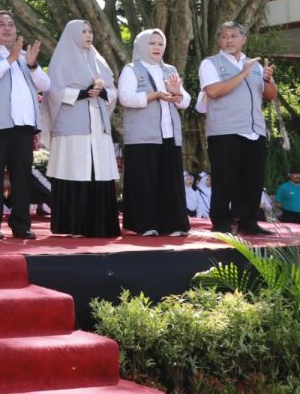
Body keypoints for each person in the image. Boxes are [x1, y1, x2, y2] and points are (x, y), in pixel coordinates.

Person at [0, 11, 49, 241]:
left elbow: (46, 84)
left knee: (22, 178)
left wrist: (32, 65)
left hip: (22, 127)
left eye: (11, 24)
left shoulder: (25, 57)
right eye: (1, 25)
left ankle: (21, 225)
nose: (8, 28)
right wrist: (10, 59)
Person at [199, 22, 277, 235]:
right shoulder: (210, 63)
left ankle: (248, 222)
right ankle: (222, 222)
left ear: (244, 39)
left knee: (252, 179)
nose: (229, 40)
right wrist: (242, 74)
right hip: (225, 130)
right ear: (219, 41)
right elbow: (213, 91)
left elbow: (270, 95)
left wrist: (267, 79)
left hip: (254, 129)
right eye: (224, 36)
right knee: (225, 178)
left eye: (234, 35)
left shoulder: (255, 65)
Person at [45, 20, 119, 238]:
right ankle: (73, 224)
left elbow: (113, 90)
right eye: (83, 31)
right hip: (72, 125)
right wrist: (83, 93)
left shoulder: (99, 60)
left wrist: (101, 91)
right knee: (75, 168)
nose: (88, 35)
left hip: (98, 123)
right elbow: (54, 91)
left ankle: (101, 225)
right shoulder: (61, 59)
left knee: (98, 170)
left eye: (90, 31)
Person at [117, 29, 192, 237]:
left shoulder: (170, 69)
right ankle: (143, 224)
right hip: (142, 135)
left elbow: (185, 101)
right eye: (152, 43)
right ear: (141, 46)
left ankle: (173, 224)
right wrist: (156, 95)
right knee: (144, 180)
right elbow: (126, 98)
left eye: (160, 43)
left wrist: (177, 93)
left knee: (170, 180)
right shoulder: (131, 69)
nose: (157, 47)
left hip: (168, 134)